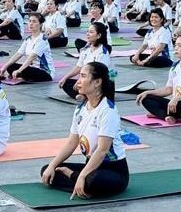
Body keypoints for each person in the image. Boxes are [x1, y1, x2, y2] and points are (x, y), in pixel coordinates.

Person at [41, 61, 129, 198]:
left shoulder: (107, 110)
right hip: (91, 167)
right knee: (47, 170)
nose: (78, 81)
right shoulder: (81, 108)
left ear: (97, 82)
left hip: (113, 170)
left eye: (83, 76)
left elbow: (102, 150)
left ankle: (75, 179)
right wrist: (52, 165)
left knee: (92, 181)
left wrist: (80, 176)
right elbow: (71, 143)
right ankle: (81, 185)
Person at [136, 33, 181, 123]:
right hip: (175, 104)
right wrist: (148, 92)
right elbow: (168, 89)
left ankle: (162, 114)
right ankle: (168, 116)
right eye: (175, 45)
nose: (176, 48)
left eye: (180, 45)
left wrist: (176, 99)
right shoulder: (175, 67)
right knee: (147, 98)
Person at [59, 22, 115, 99]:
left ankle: (85, 95)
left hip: (99, 81)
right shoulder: (85, 50)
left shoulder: (103, 52)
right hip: (88, 80)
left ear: (99, 35)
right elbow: (79, 67)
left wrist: (80, 80)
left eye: (91, 32)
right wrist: (65, 77)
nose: (88, 34)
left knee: (92, 82)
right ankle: (85, 95)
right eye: (87, 31)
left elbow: (98, 73)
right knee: (66, 83)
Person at [0, 13, 55, 82]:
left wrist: (19, 70)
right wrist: (4, 67)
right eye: (30, 21)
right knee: (10, 67)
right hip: (32, 68)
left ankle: (22, 76)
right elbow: (18, 54)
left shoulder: (42, 40)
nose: (31, 24)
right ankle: (23, 76)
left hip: (45, 72)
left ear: (40, 24)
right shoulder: (28, 39)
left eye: (34, 22)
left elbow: (31, 58)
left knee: (26, 70)